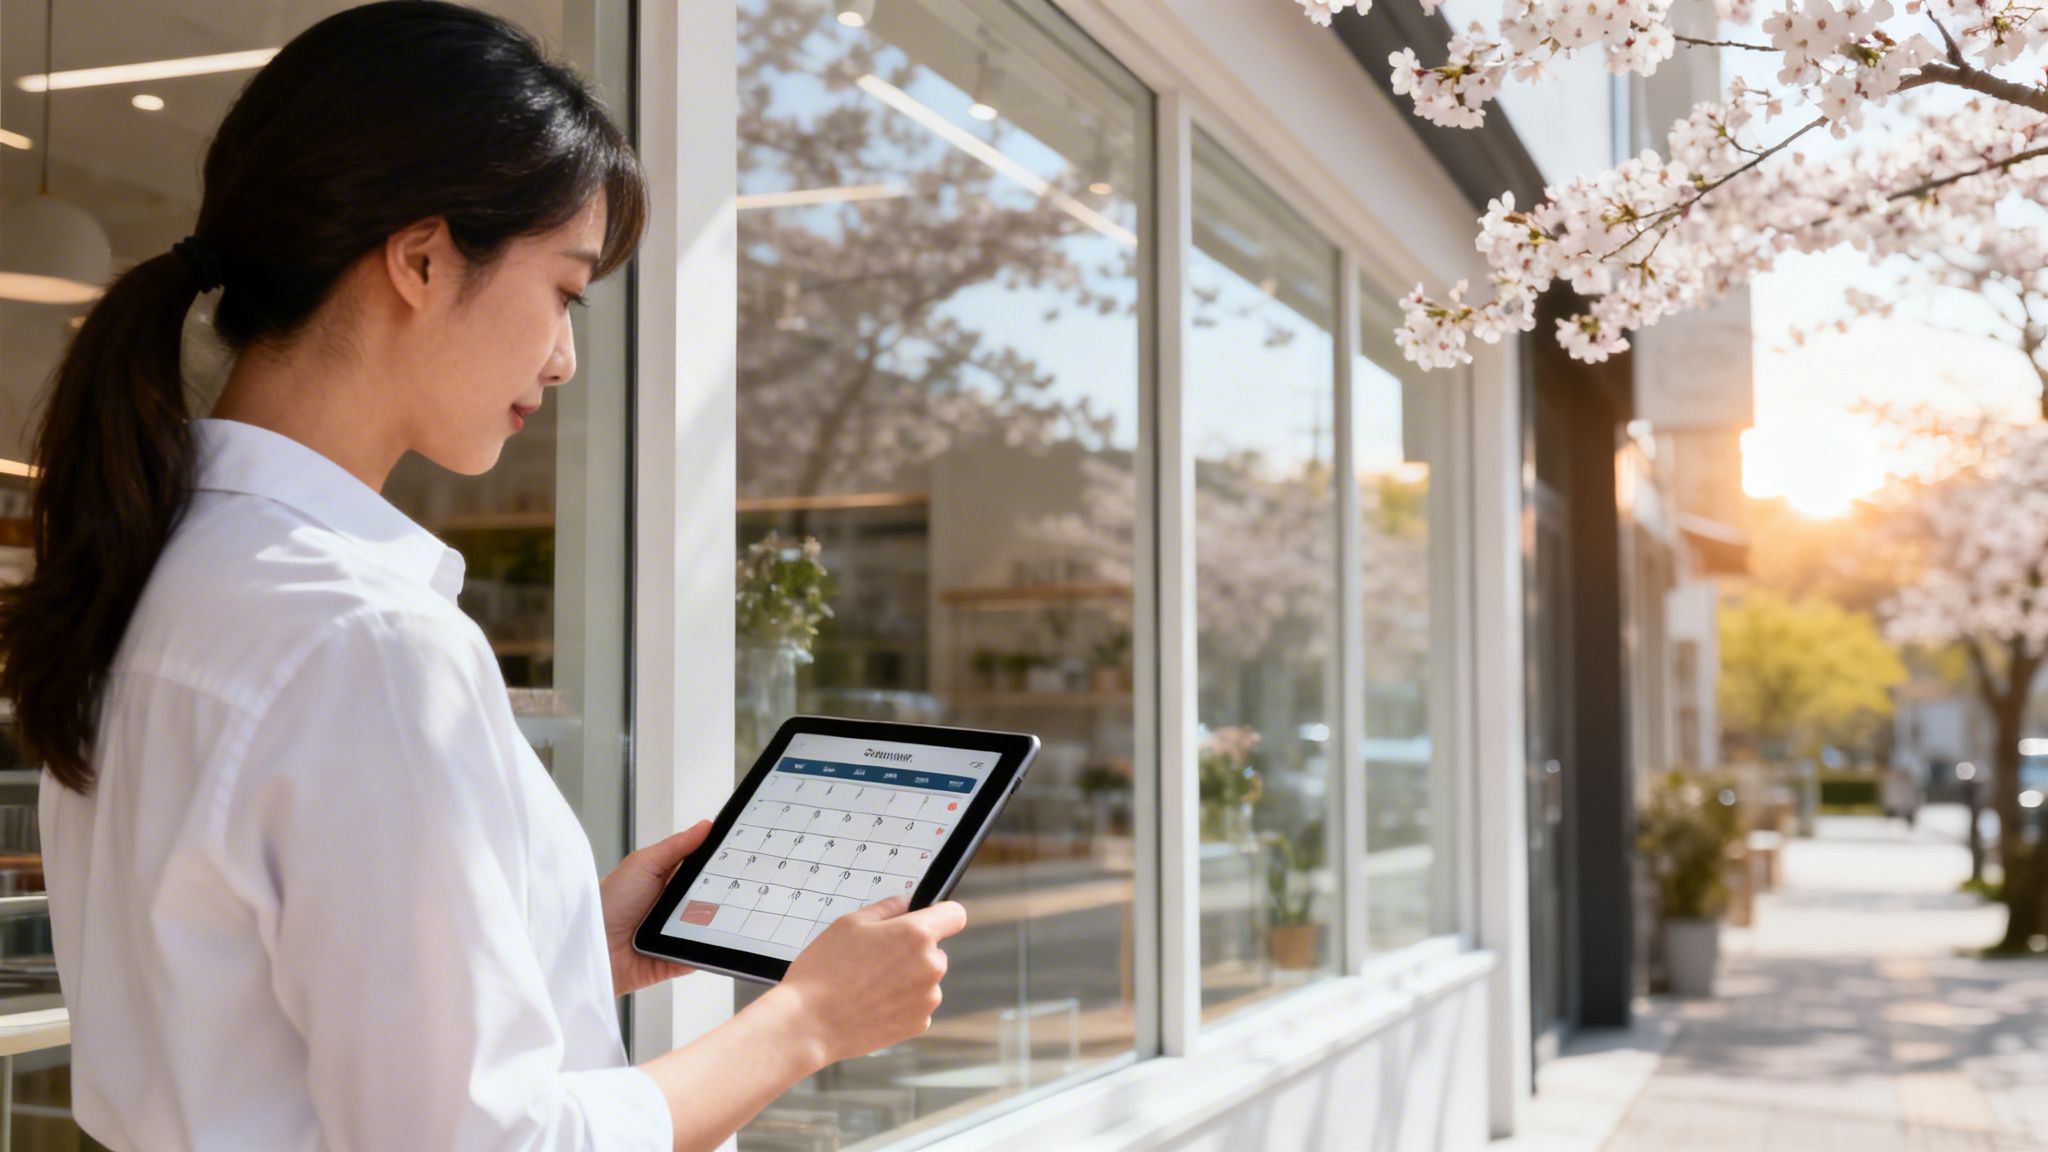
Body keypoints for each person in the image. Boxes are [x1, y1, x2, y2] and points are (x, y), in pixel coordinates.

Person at [0, 4, 966, 1149]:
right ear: (419, 258)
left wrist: (559, 934)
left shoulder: (156, 575)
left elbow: (239, 983)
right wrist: (806, 1020)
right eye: (563, 290)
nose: (562, 358)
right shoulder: (364, 636)